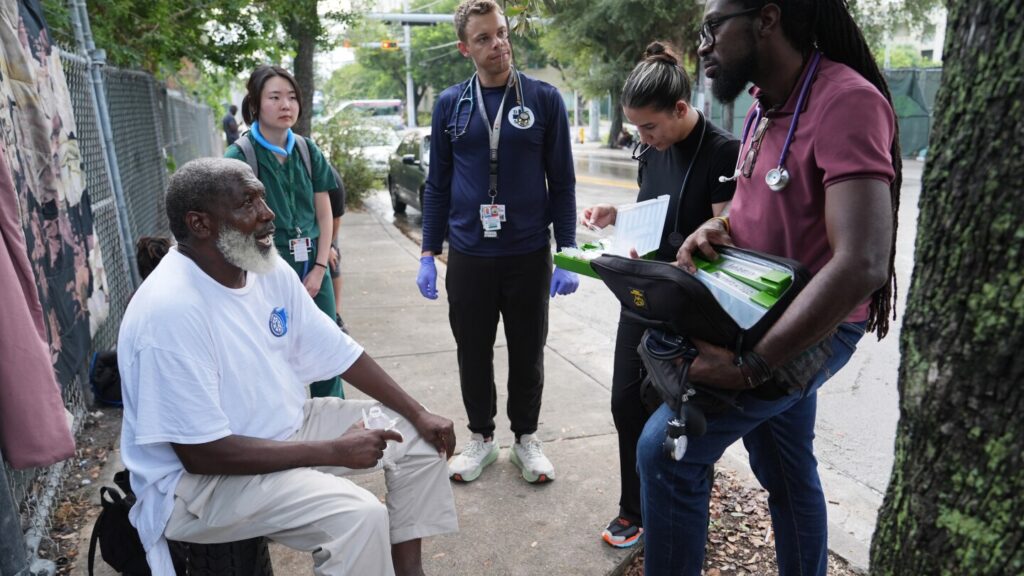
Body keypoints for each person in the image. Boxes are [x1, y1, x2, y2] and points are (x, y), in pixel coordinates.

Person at [637, 1, 902, 574]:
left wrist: (753, 366)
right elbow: (757, 207)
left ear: (766, 19)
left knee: (666, 452)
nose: (702, 45)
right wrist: (718, 226)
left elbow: (862, 262)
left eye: (713, 27)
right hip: (757, 310)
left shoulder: (846, 102)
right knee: (785, 470)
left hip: (814, 325)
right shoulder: (764, 104)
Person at [118, 157, 459, 576]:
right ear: (200, 223)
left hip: (285, 427)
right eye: (248, 203)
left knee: (418, 439)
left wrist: (417, 412)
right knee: (359, 516)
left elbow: (339, 350)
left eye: (262, 198)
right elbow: (201, 454)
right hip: (198, 487)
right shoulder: (170, 311)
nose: (268, 213)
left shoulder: (263, 267)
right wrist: (333, 450)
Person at [580, 41, 739, 549]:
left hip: (692, 306)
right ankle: (635, 510)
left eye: (649, 127)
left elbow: (727, 236)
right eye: (636, 129)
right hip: (645, 292)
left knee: (680, 414)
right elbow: (656, 210)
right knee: (625, 403)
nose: (643, 139)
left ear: (680, 108)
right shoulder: (651, 150)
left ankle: (684, 508)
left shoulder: (722, 151)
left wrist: (689, 259)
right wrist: (618, 215)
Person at [417, 0, 579, 485]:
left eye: (502, 33)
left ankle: (526, 439)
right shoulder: (451, 105)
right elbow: (437, 184)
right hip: (469, 254)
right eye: (484, 38)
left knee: (528, 351)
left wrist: (567, 251)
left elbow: (562, 182)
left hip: (528, 252)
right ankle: (482, 438)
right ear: (465, 48)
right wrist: (428, 251)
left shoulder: (543, 99)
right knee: (473, 351)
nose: (498, 45)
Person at [225, 65, 343, 398]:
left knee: (327, 349)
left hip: (313, 264)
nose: (285, 105)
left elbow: (325, 213)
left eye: (291, 97)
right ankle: (284, 421)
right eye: (274, 97)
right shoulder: (240, 156)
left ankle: (335, 418)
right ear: (255, 104)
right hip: (266, 267)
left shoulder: (307, 150)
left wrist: (320, 267)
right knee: (272, 352)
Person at [326, 164, 348, 333]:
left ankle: (336, 314)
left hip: (327, 224)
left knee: (333, 261)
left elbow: (336, 219)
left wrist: (329, 246)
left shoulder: (333, 180)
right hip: (301, 222)